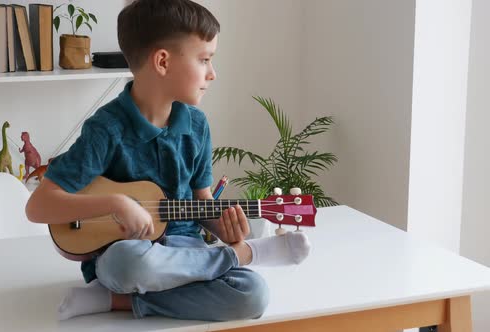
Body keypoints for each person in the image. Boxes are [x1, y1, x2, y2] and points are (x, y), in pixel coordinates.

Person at [25, 0, 310, 322]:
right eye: (204, 60)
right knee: (129, 263)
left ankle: (116, 300)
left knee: (252, 295)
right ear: (162, 61)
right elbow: (38, 207)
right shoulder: (107, 129)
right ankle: (245, 256)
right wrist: (116, 203)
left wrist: (227, 228)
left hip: (184, 251)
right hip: (128, 255)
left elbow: (202, 203)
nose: (212, 74)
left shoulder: (197, 126)